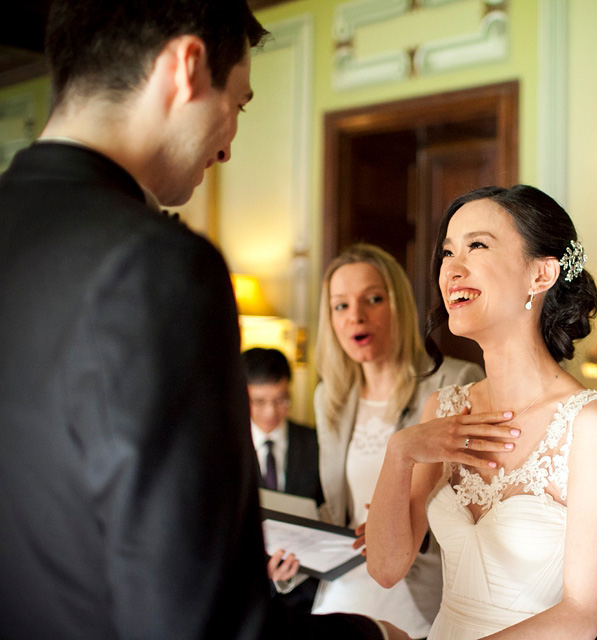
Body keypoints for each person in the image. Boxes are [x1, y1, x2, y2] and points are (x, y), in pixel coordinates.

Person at [0, 1, 399, 638]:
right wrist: (372, 636)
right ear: (187, 68)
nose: (229, 148)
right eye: (237, 104)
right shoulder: (156, 269)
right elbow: (202, 621)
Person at [364, 185, 597, 639]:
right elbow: (386, 569)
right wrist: (400, 451)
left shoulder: (590, 424)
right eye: (447, 252)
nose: (452, 269)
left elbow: (582, 615)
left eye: (477, 245)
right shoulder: (443, 407)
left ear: (541, 274)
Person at [269, 243, 483, 638]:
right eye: (341, 306)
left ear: (398, 304)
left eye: (373, 299)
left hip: (419, 591)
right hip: (342, 592)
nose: (356, 317)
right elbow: (340, 512)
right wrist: (294, 559)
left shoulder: (454, 382)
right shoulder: (329, 397)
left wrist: (396, 528)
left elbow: (476, 504)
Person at [242, 347, 324, 614]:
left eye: (281, 400)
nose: (271, 412)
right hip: (249, 597)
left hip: (309, 596)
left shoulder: (315, 443)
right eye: (259, 401)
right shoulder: (226, 451)